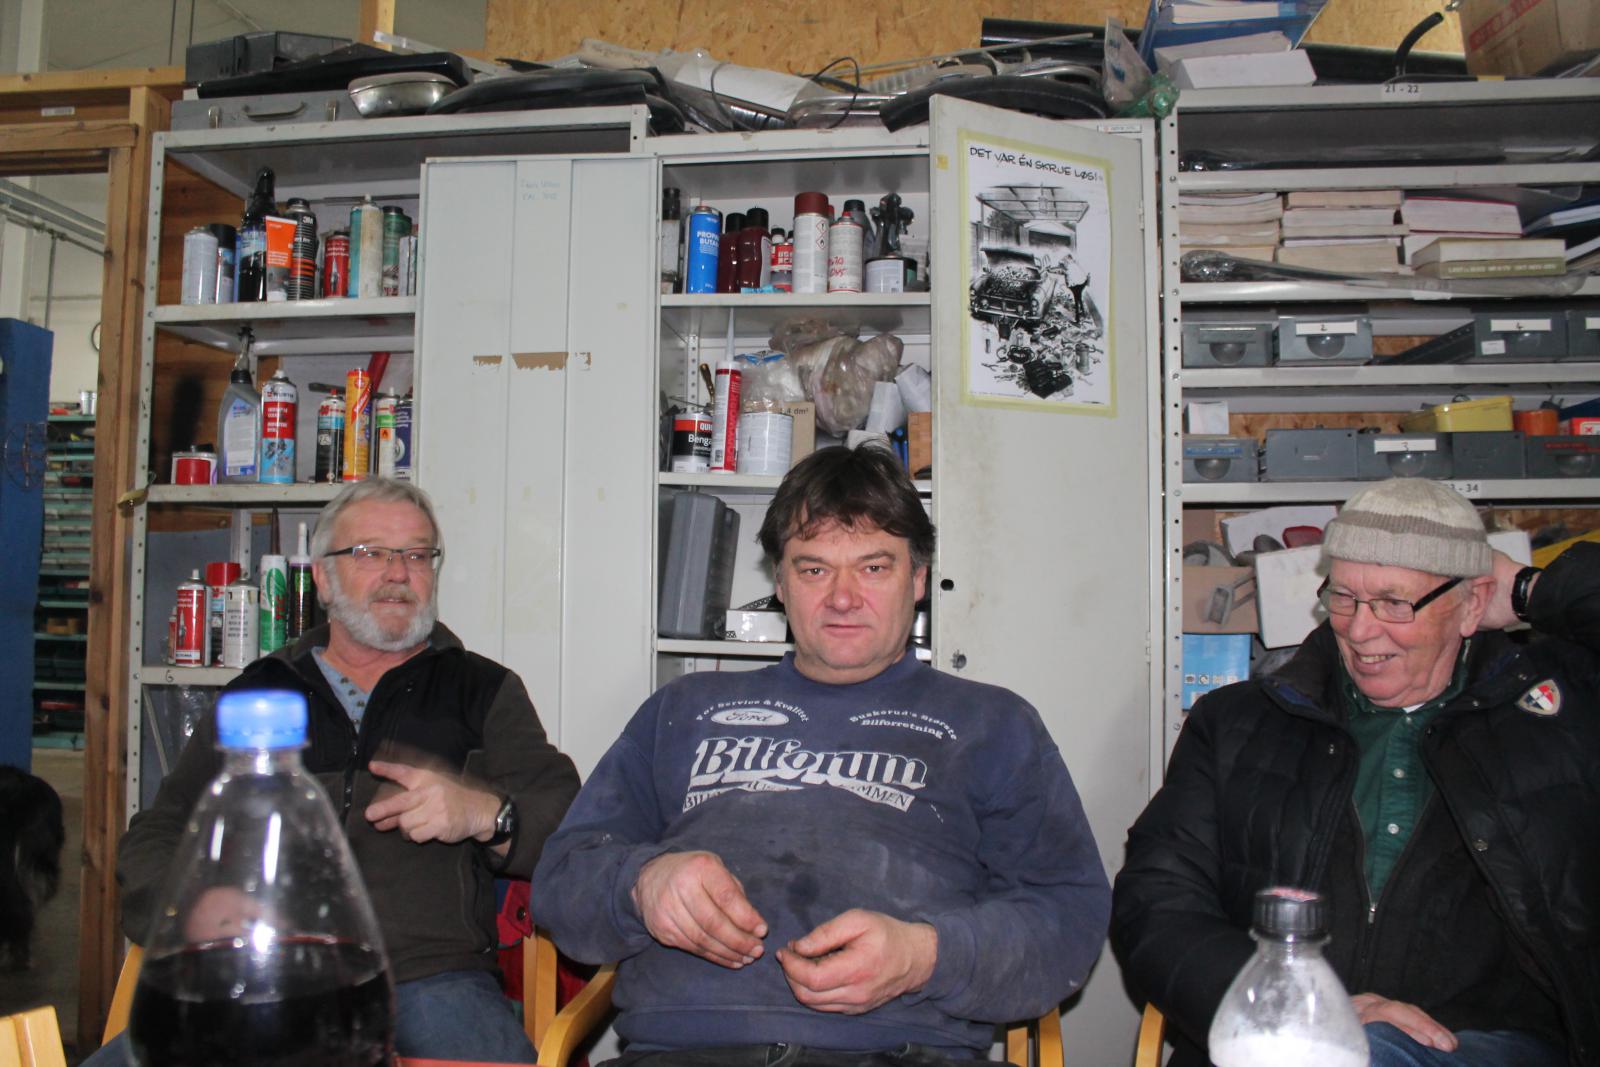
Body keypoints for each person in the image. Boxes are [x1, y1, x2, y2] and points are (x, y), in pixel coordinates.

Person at [531, 444, 1110, 1067]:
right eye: (813, 570)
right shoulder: (684, 708)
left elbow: (1067, 916)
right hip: (685, 1052)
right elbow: (562, 880)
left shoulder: (994, 724)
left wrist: (923, 956)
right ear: (780, 582)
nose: (842, 597)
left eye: (873, 567)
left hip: (902, 1053)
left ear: (918, 579)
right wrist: (641, 884)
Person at [1111, 478, 1600, 1067]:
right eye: (1343, 597)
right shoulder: (1240, 723)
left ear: (1472, 604)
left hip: (1487, 1044)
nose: (1360, 630)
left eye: (1395, 603)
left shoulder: (1558, 718)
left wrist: (1529, 590)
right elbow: (1157, 901)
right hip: (1277, 1038)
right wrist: (1302, 1010)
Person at [101, 478, 580, 1065]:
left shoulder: (481, 690)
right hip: (264, 976)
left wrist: (486, 813)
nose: (398, 573)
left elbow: (567, 817)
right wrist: (194, 905)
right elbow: (158, 832)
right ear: (323, 580)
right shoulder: (261, 692)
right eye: (371, 553)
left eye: (417, 555)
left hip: (429, 981)